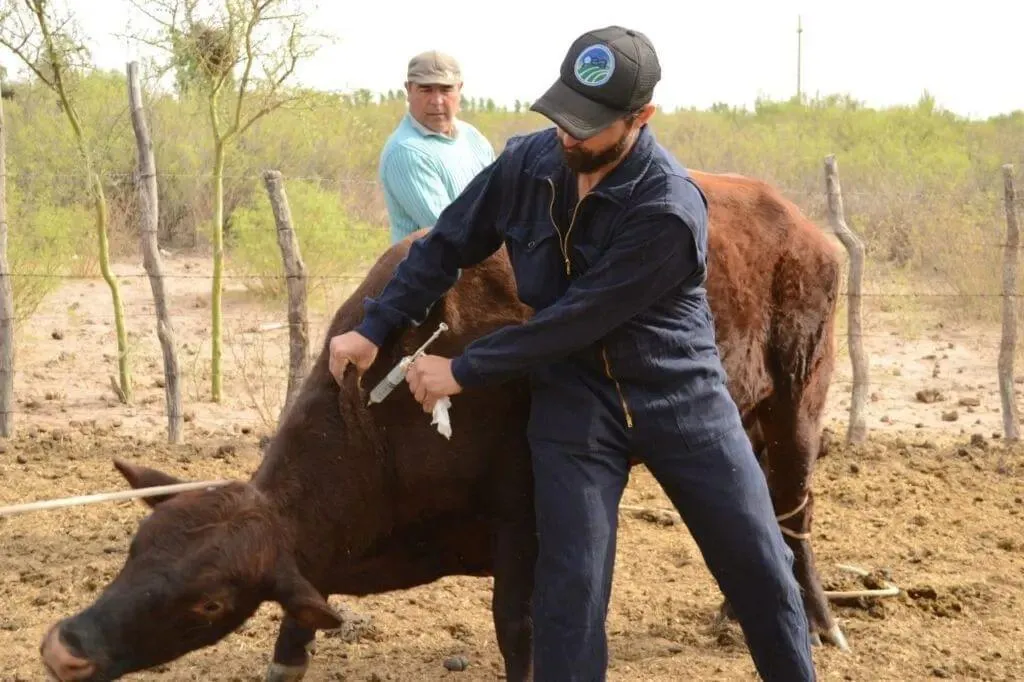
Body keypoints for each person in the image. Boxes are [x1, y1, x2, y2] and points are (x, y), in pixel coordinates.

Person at [330, 25, 817, 682]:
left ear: (641, 117)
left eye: (588, 125)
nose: (568, 136)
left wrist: (461, 371)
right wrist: (375, 324)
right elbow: (447, 242)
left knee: (758, 563)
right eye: (563, 115)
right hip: (576, 401)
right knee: (570, 589)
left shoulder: (668, 208)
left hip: (678, 395)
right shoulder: (527, 165)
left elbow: (575, 321)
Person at [379, 49, 495, 244]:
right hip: (435, 264)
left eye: (446, 89)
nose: (437, 101)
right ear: (408, 90)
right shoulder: (407, 151)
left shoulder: (473, 138)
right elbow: (451, 233)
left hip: (483, 257)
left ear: (459, 89)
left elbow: (500, 203)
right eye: (426, 90)